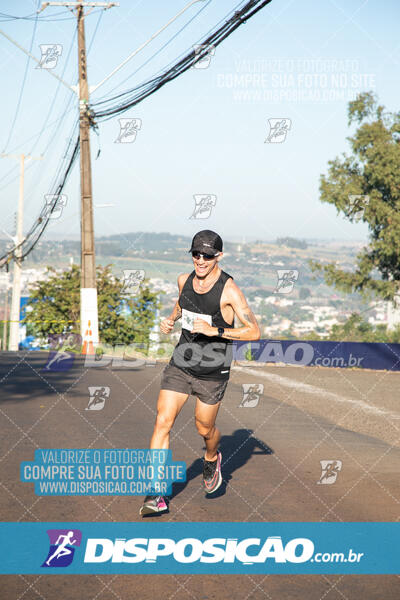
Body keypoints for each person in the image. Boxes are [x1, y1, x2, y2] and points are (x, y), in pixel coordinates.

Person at [139, 230, 260, 516]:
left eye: (207, 256)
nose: (201, 260)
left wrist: (216, 330)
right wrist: (170, 321)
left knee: (204, 429)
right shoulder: (184, 280)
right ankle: (157, 493)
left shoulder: (229, 290)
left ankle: (211, 457)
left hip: (212, 370)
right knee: (162, 422)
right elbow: (182, 305)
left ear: (219, 256)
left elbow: (254, 331)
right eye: (196, 254)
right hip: (182, 362)